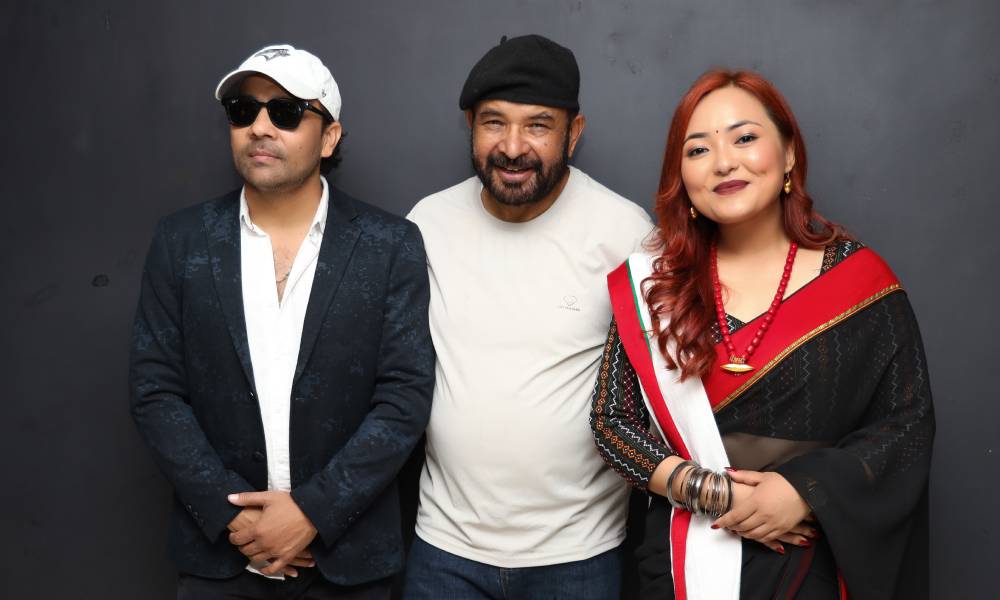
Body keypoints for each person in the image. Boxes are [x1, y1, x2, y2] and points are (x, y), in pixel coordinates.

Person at [591, 69, 934, 600]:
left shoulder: (859, 281)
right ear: (681, 175)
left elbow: (906, 425)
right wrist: (715, 494)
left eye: (745, 138)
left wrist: (805, 492)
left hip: (809, 558)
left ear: (790, 154)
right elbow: (612, 423)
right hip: (684, 558)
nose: (724, 162)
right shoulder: (655, 286)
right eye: (698, 150)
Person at [129, 44, 434, 599]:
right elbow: (155, 390)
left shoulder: (391, 244)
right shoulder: (182, 240)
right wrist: (233, 517)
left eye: (287, 112)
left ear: (330, 137)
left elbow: (405, 396)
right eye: (243, 111)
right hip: (219, 562)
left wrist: (313, 511)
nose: (259, 127)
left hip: (346, 565)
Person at [402, 35, 653, 599]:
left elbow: (664, 393)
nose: (512, 147)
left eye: (538, 125)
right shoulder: (427, 224)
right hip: (444, 548)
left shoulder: (624, 233)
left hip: (579, 554)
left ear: (574, 132)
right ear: (470, 125)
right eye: (494, 122)